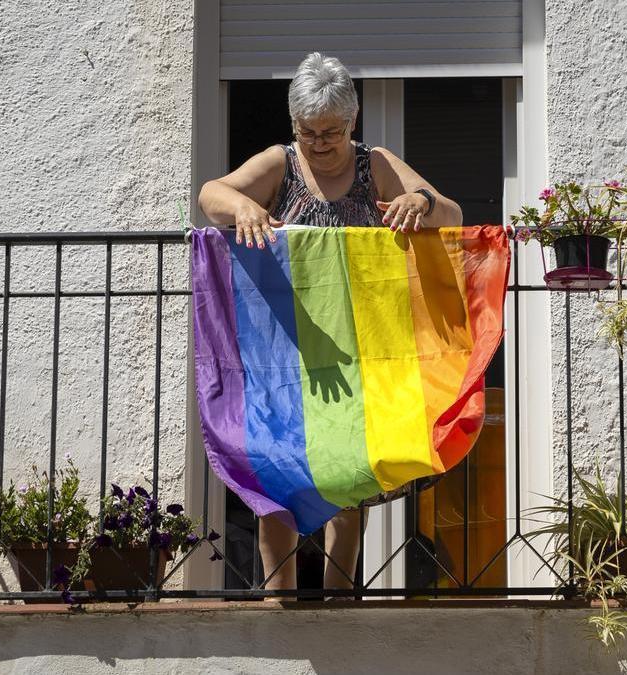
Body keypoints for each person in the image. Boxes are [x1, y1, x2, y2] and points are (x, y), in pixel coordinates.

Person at [197, 52, 463, 594]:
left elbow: (451, 214)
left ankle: (339, 603)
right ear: (293, 124)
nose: (318, 143)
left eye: (331, 132)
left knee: (347, 479)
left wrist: (419, 201)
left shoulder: (374, 164)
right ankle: (279, 602)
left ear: (353, 120)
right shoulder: (280, 163)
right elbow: (210, 195)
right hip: (286, 351)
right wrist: (241, 208)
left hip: (359, 350)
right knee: (279, 476)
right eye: (308, 131)